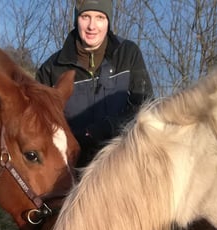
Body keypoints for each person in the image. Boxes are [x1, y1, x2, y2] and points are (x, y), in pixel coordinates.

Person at [36, 0, 153, 167]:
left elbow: (145, 108)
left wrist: (105, 129)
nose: (92, 26)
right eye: (85, 16)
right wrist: (75, 138)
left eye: (100, 17)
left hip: (122, 166)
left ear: (108, 21)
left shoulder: (128, 54)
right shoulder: (51, 69)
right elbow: (37, 125)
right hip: (72, 171)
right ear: (77, 19)